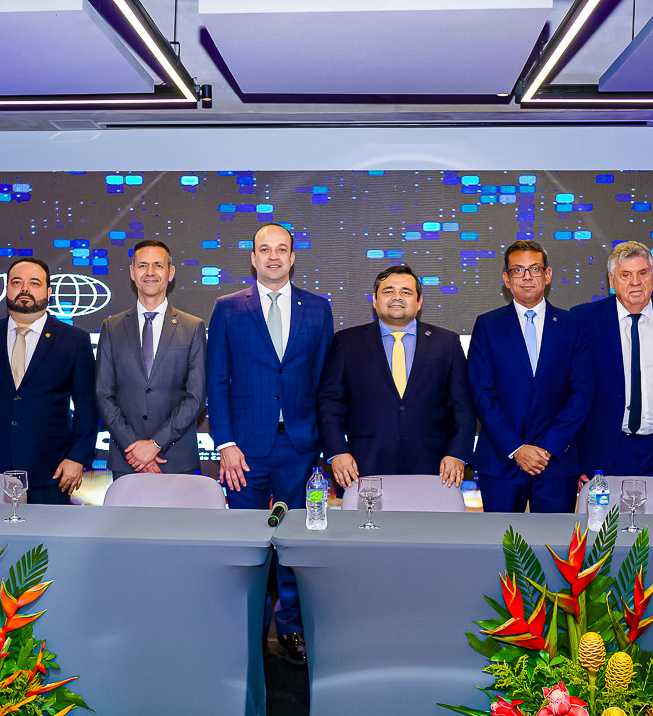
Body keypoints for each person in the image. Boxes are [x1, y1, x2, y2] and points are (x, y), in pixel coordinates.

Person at [206, 222, 333, 665]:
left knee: (297, 542)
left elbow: (324, 383)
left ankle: (292, 627)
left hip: (301, 446)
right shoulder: (227, 308)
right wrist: (225, 442)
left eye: (282, 249)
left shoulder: (317, 308)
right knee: (250, 545)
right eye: (265, 249)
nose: (273, 257)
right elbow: (217, 380)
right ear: (253, 258)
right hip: (243, 451)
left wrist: (324, 443)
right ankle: (251, 631)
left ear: (293, 257)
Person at [0, 257, 99, 505]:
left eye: (34, 283)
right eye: (17, 282)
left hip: (53, 471)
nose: (24, 289)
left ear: (49, 292)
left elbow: (88, 406)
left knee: (48, 532)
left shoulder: (74, 340)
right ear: (7, 288)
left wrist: (77, 457)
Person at [317, 265, 475, 489]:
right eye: (388, 291)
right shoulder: (347, 342)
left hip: (435, 468)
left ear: (419, 302)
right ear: (375, 300)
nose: (397, 297)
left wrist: (457, 453)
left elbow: (463, 406)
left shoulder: (447, 343)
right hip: (362, 467)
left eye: (406, 292)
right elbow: (329, 403)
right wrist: (337, 451)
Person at [468, 240, 593, 513]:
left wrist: (547, 448)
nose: (527, 277)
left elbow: (582, 392)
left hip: (556, 462)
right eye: (518, 270)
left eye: (534, 269)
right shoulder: (487, 325)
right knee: (499, 539)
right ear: (506, 279)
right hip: (501, 460)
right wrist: (516, 448)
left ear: (547, 275)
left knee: (554, 540)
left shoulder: (572, 325)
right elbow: (481, 393)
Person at [572, 241, 653, 484]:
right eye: (625, 275)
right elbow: (572, 392)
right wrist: (576, 459)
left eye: (642, 273)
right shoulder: (583, 319)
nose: (635, 282)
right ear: (611, 281)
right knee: (607, 512)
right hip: (603, 452)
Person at [96, 240, 206, 479]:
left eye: (158, 265)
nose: (150, 272)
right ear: (132, 272)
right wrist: (134, 448)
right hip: (127, 459)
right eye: (143, 265)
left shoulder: (192, 327)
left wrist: (155, 444)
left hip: (176, 458)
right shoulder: (111, 327)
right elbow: (103, 394)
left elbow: (196, 397)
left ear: (170, 273)